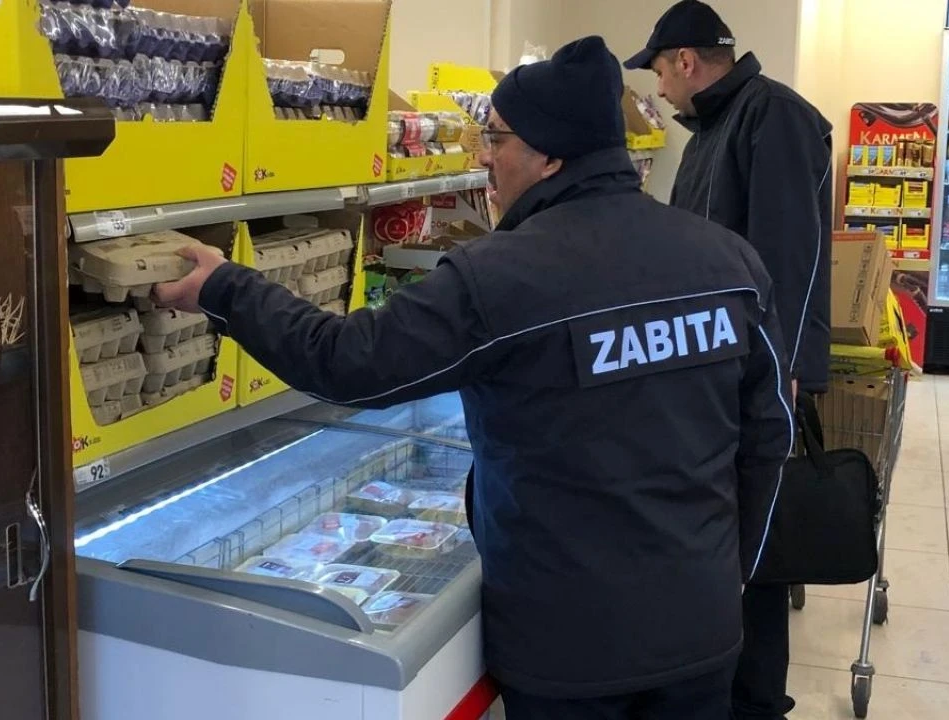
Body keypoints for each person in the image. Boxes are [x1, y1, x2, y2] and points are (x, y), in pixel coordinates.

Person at [156, 36, 793, 720]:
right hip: (701, 629)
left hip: (570, 648)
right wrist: (731, 571)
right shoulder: (729, 262)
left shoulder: (503, 276)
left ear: (550, 156)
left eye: (496, 137)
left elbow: (347, 363)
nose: (485, 157)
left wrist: (225, 288)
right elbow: (770, 433)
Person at [624, 2, 834, 719]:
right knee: (721, 535)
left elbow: (788, 258)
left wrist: (784, 372)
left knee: (757, 544)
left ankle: (757, 701)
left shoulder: (774, 118)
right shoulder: (714, 128)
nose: (657, 88)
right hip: (714, 375)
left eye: (658, 70)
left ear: (685, 61)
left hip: (755, 378)